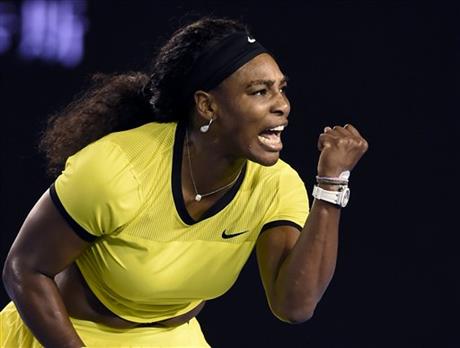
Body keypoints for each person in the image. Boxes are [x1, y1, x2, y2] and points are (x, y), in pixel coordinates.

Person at [1, 17, 368, 347]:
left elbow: (294, 306)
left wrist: (331, 184)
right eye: (260, 91)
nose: (283, 105)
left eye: (281, 89)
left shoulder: (276, 185)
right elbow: (25, 269)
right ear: (207, 106)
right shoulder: (117, 169)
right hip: (62, 334)